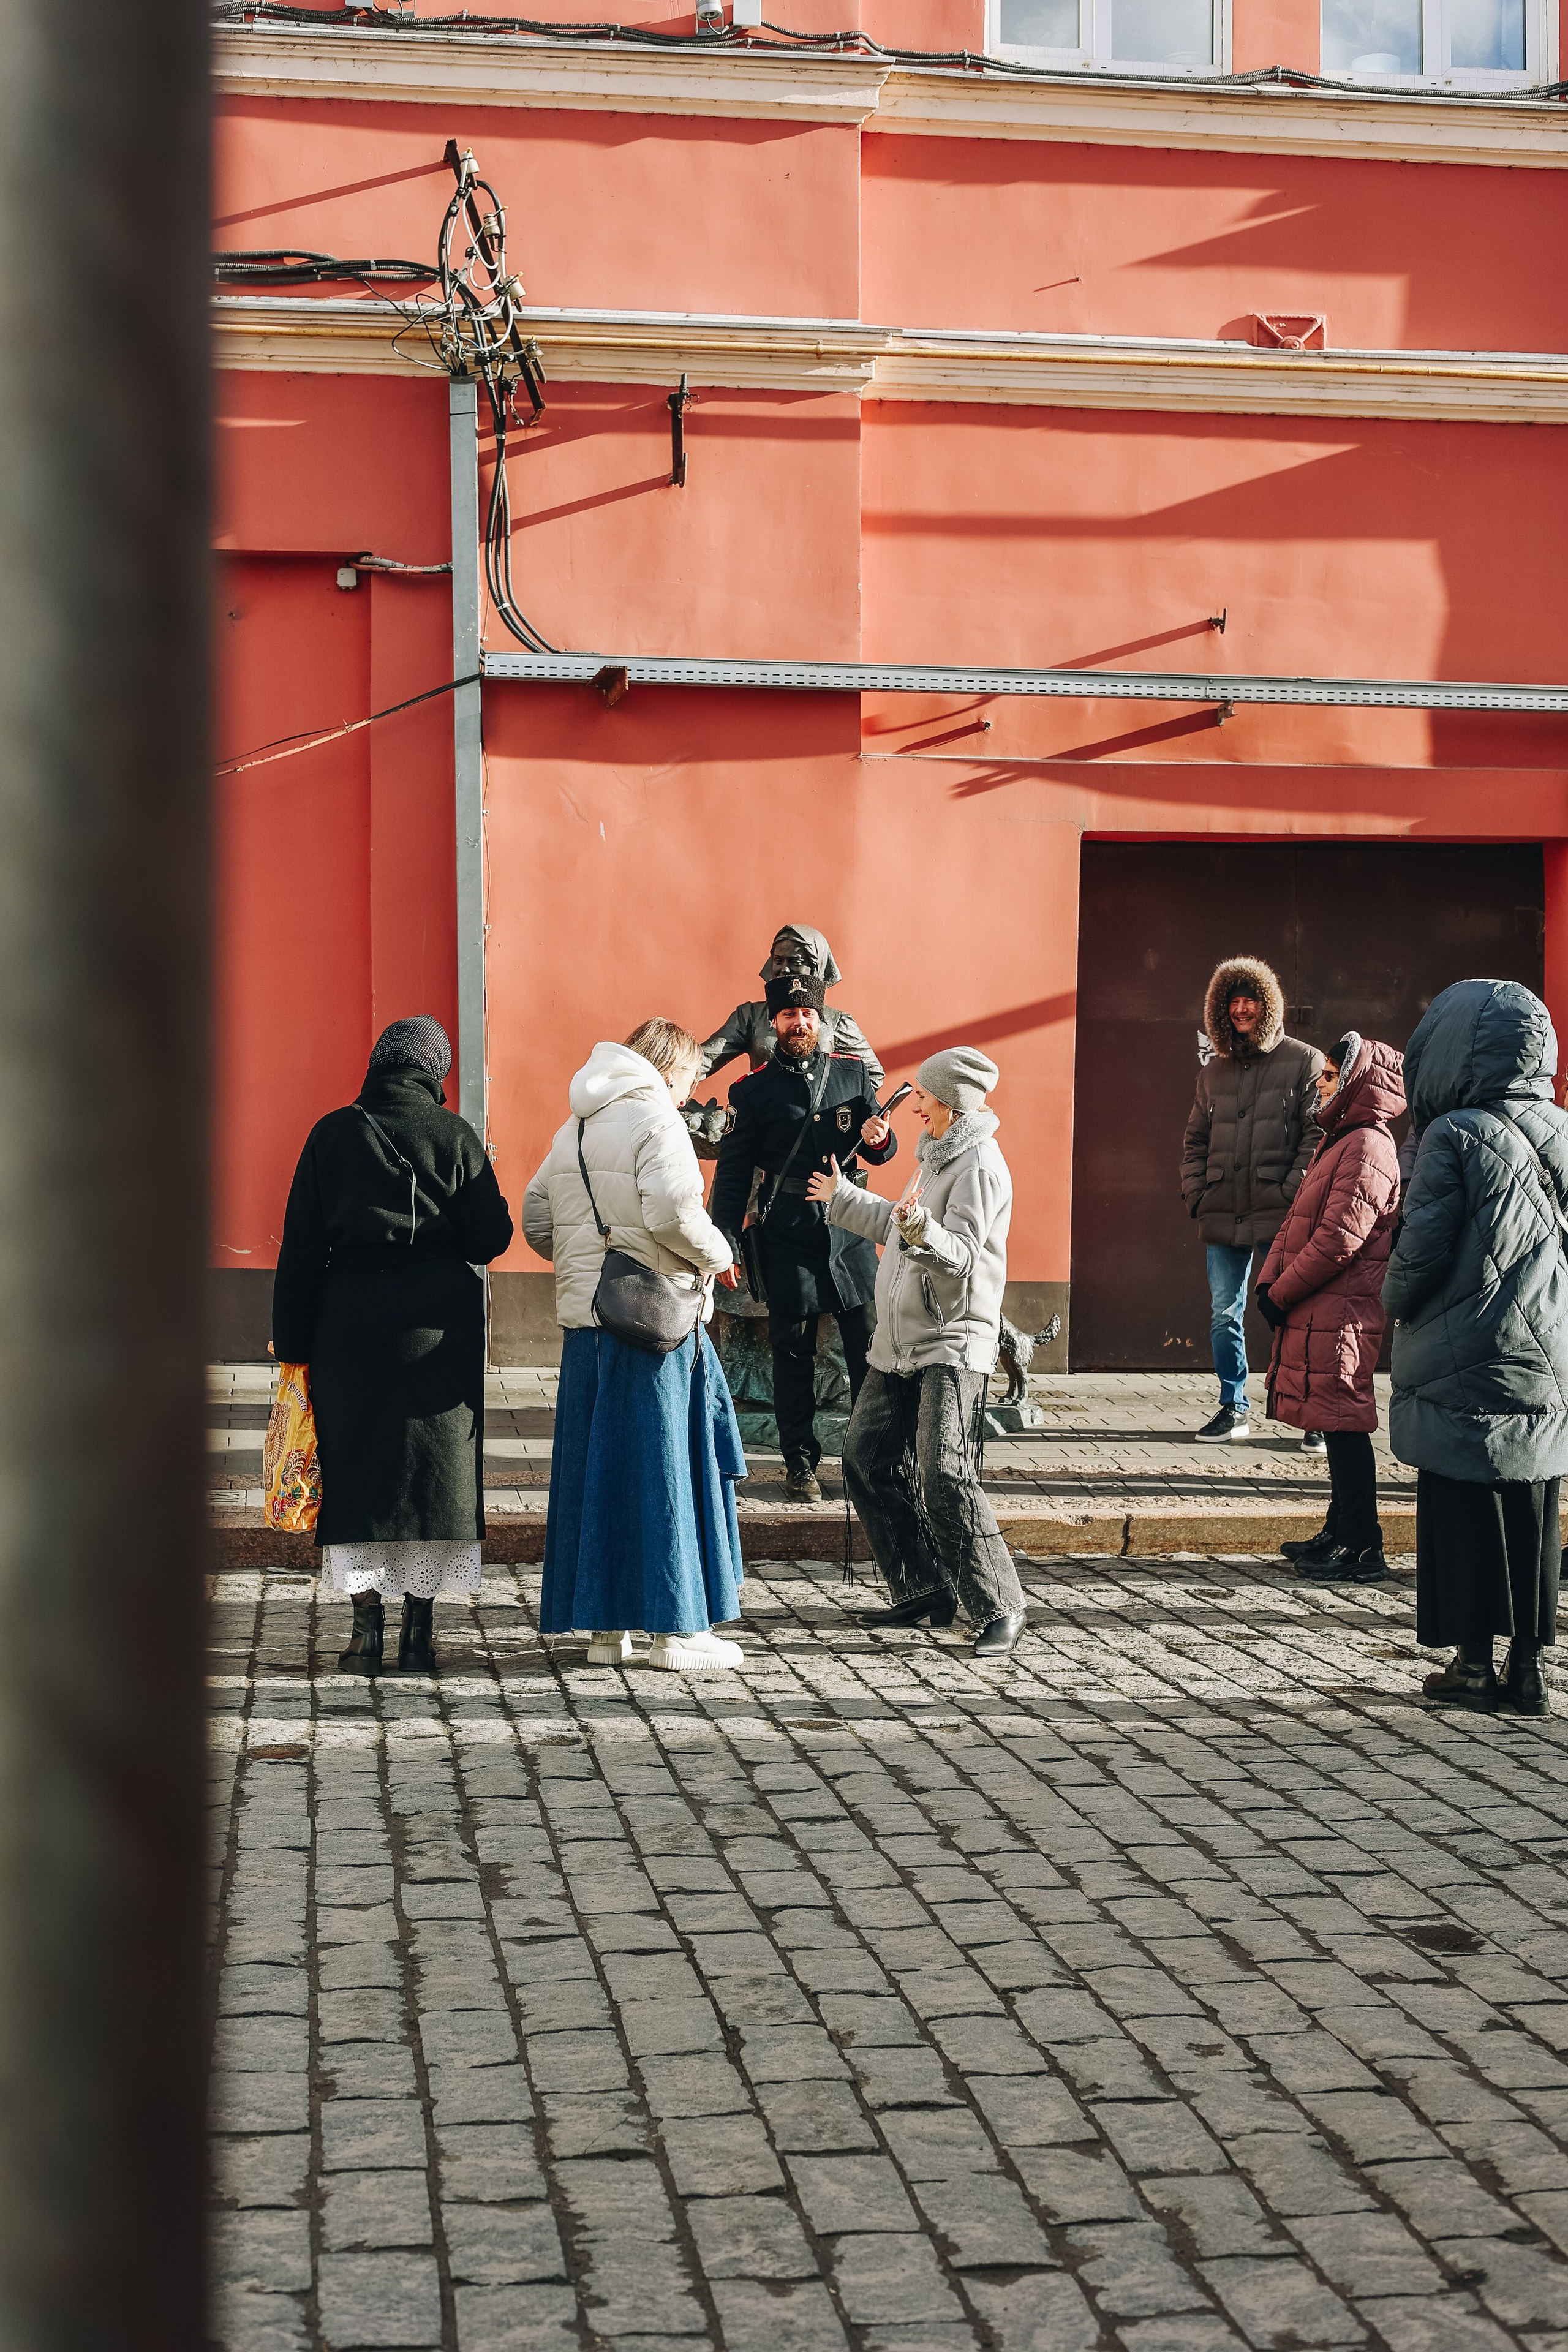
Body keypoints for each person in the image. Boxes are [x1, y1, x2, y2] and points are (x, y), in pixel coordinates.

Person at [272, 1017, 514, 1676]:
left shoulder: (332, 1133)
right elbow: (490, 1239)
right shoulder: (455, 1134)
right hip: (438, 1326)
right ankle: (420, 1635)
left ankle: (364, 1635)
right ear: (435, 1071)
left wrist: (293, 1344)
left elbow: (300, 1247)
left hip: (349, 1323)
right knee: (432, 1475)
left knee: (359, 1467)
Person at [524, 1019, 748, 1673]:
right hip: (653, 1324)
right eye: (689, 1079)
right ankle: (676, 1633)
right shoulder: (657, 1120)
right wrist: (720, 1253)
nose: (688, 1094)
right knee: (665, 1471)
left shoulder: (577, 1124)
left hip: (588, 1323)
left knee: (602, 1475)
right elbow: (675, 1214)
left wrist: (586, 1267)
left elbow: (538, 1215)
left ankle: (605, 1634)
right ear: (671, 1069)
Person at [1382, 978, 1568, 1714]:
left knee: (1462, 1504)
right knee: (1534, 1504)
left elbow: (1419, 1254)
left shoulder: (1453, 1134)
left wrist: (1393, 1302)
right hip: (1547, 1350)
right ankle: (1530, 1669)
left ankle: (1473, 1665)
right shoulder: (1562, 1128)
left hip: (1465, 1347)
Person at [808, 1047, 1027, 1657]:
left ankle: (1000, 1605)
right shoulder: (937, 1156)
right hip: (900, 1341)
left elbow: (957, 1254)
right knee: (866, 1457)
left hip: (950, 1342)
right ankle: (925, 1588)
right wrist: (842, 1195)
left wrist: (917, 1228)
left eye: (925, 1097)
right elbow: (900, 1227)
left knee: (944, 1472)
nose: (916, 1106)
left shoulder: (978, 1165)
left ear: (951, 1103)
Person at [710, 972, 896, 1502]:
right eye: (789, 1015)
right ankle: (800, 1463)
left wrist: (882, 1141)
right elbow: (732, 1172)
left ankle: (870, 1461)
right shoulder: (753, 1090)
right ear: (775, 1023)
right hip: (787, 1232)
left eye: (807, 1014)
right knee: (791, 1356)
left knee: (868, 1351)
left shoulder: (852, 1076)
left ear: (821, 1020)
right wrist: (725, 1240)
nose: (799, 1024)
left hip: (851, 1233)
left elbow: (878, 1147)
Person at [1257, 1033, 1405, 1585]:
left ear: (1356, 1080)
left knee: (1344, 1421)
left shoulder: (1369, 1145)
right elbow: (1296, 1224)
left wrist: (1282, 1291)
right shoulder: (1341, 1140)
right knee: (1330, 1414)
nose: (1321, 1082)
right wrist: (1271, 1281)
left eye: (1330, 1074)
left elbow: (1339, 1238)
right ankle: (1338, 1529)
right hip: (1319, 1302)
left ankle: (1363, 1545)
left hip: (1342, 1306)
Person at [1181, 957, 1324, 1446]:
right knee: (1225, 1312)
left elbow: (1316, 1135)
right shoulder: (1213, 1073)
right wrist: (1196, 1192)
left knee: (1294, 1312)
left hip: (1279, 1212)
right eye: (1233, 1002)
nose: (1241, 1009)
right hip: (1222, 1208)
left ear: (1268, 1005)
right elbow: (1194, 1140)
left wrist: (1291, 1192)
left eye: (1250, 1000)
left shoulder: (1305, 1060)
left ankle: (1310, 1415)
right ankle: (1233, 1406)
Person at [699, 923, 884, 1087]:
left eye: (795, 961)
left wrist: (835, 1105)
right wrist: (673, 1078)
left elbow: (873, 1074)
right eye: (778, 961)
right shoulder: (750, 1017)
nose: (784, 969)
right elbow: (703, 1060)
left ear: (816, 967)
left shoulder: (838, 1023)